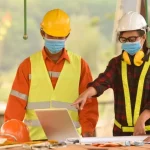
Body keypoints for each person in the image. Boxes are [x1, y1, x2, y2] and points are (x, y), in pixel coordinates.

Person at [4, 9, 98, 140]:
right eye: (51, 36)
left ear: (67, 35)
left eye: (60, 37)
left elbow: (88, 105)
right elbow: (15, 107)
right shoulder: (27, 66)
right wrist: (11, 137)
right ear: (42, 33)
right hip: (34, 143)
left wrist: (88, 134)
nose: (55, 40)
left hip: (70, 142)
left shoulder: (81, 66)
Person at [73, 11, 150, 136]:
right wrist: (86, 93)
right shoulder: (116, 64)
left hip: (147, 134)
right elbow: (102, 81)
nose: (128, 43)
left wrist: (143, 118)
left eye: (132, 39)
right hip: (120, 135)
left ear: (143, 37)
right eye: (124, 39)